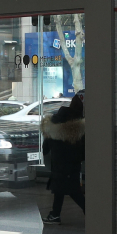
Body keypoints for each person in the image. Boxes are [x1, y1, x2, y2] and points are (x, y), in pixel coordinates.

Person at [42, 92, 85, 224]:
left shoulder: (55, 120)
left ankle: (55, 214)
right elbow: (83, 148)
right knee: (73, 190)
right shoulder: (79, 125)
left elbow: (46, 144)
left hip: (58, 162)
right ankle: (91, 211)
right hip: (72, 163)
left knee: (60, 189)